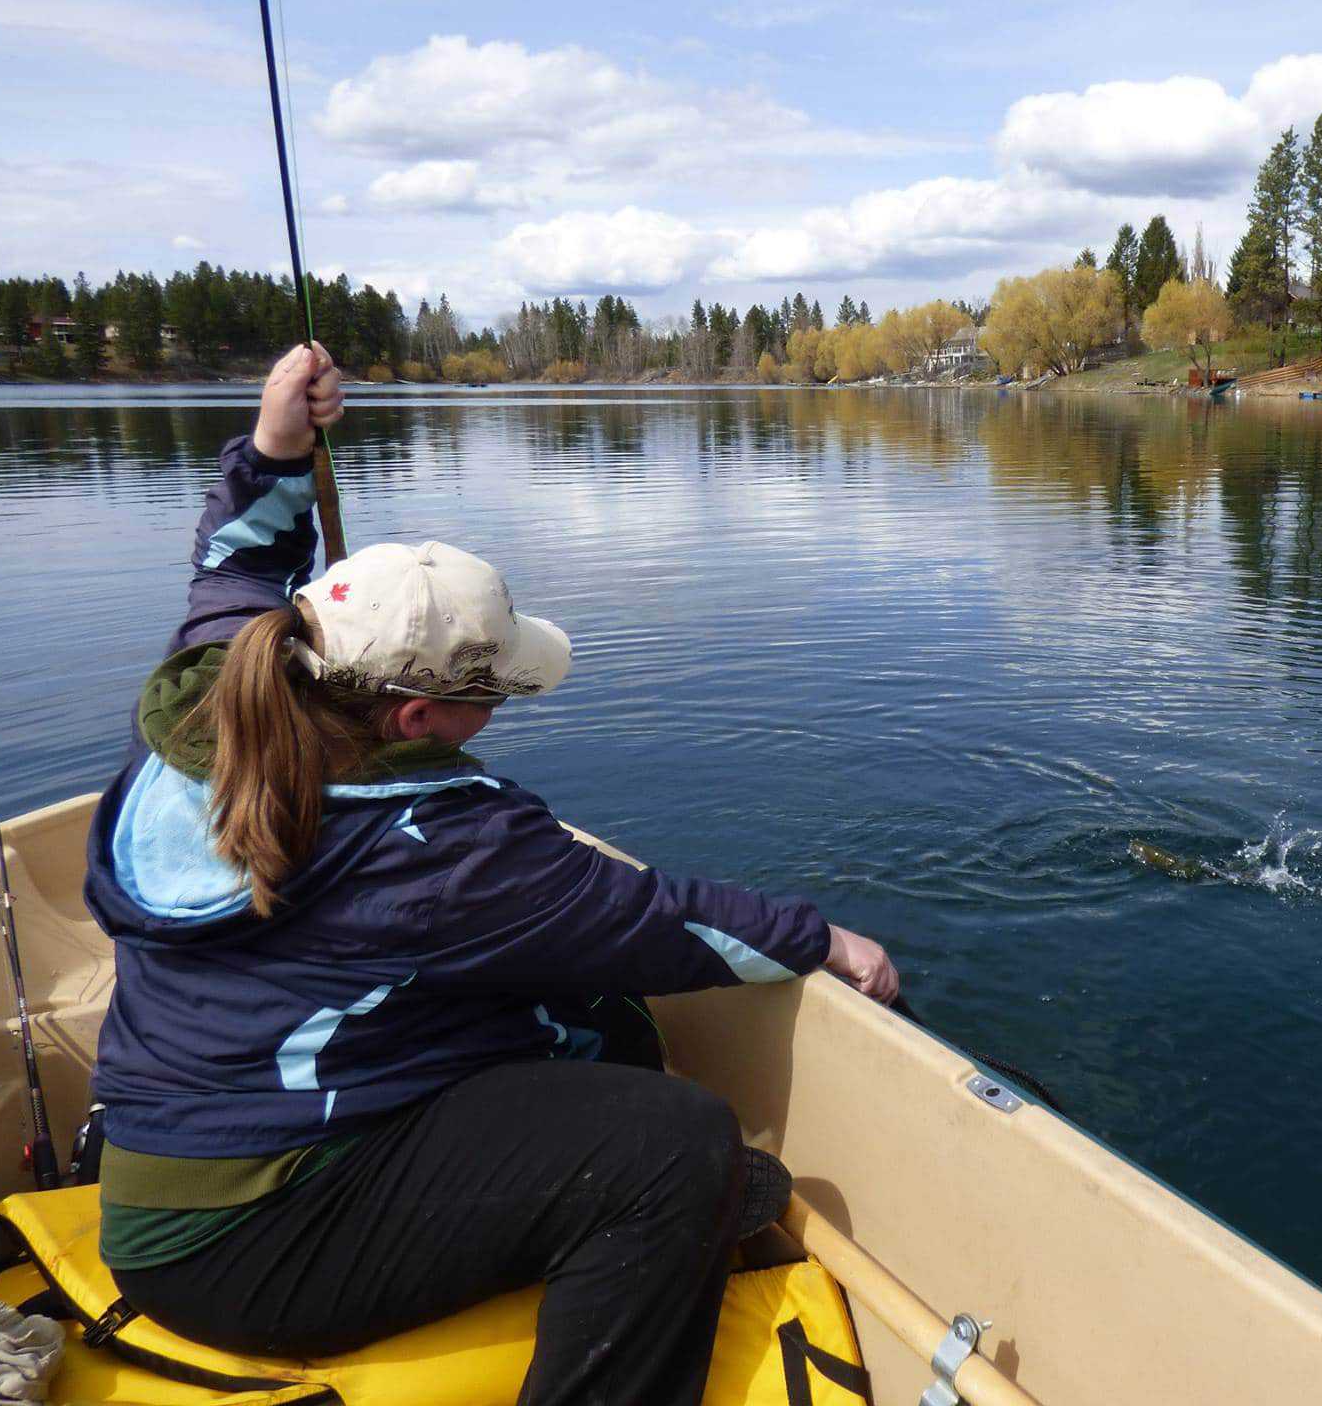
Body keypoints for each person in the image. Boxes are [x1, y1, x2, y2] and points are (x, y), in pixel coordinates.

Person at [80, 343, 899, 1406]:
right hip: (244, 1249)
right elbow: (650, 924)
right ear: (417, 718)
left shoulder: (222, 686)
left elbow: (234, 563)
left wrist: (276, 446)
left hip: (170, 1177)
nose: (499, 710)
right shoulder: (445, 850)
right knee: (674, 1146)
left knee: (580, 1016)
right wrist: (825, 940)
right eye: (490, 695)